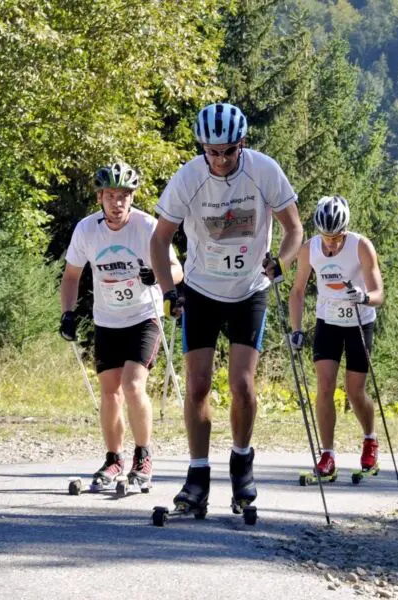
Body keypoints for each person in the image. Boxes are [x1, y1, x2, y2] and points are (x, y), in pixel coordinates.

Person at [149, 102, 303, 511]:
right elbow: (159, 240)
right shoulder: (189, 177)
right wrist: (169, 290)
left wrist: (281, 263)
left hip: (250, 288)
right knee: (197, 385)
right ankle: (197, 477)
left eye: (228, 151)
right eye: (211, 151)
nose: (219, 160)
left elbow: (294, 229)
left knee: (242, 384)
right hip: (200, 289)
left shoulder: (264, 170)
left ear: (242, 144)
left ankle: (241, 463)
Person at [60, 161, 183, 492]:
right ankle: (114, 459)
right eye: (111, 195)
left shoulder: (147, 226)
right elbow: (71, 275)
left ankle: (144, 457)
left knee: (132, 385)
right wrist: (68, 313)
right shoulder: (87, 230)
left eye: (124, 196)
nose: (118, 203)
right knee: (110, 392)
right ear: (100, 197)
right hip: (107, 318)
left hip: (144, 315)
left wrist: (156, 275)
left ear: (132, 198)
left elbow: (177, 269)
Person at [287, 195, 384, 479]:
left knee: (355, 391)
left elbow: (379, 293)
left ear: (346, 230)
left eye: (336, 236)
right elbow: (297, 292)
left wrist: (364, 297)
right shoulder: (310, 249)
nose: (330, 242)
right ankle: (327, 455)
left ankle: (370, 439)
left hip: (358, 321)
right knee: (325, 387)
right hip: (327, 320)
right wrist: (296, 329)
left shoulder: (361, 246)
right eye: (325, 236)